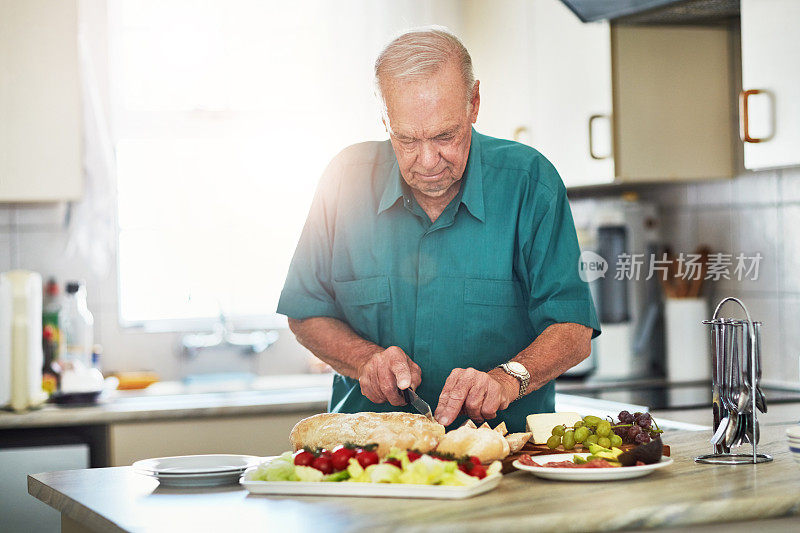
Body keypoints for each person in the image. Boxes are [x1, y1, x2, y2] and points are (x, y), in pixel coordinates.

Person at [277, 27, 600, 433]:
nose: (428, 160)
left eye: (445, 136)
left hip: (504, 459)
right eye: (407, 139)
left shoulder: (531, 182)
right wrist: (364, 359)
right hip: (364, 463)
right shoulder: (344, 180)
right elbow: (306, 312)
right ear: (384, 118)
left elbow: (573, 329)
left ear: (474, 103)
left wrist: (506, 379)